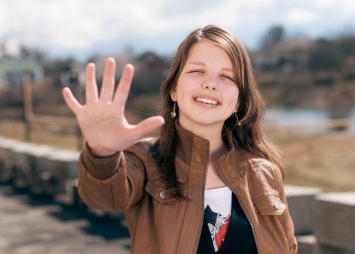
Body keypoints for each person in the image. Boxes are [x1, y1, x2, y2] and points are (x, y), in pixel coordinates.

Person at [62, 24, 298, 254]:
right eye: (197, 71)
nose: (211, 83)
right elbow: (103, 197)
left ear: (239, 100)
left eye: (227, 76)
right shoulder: (144, 160)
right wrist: (102, 154)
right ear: (173, 89)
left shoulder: (265, 173)